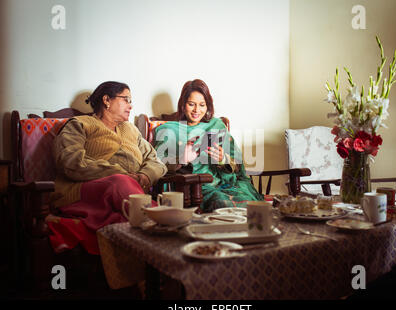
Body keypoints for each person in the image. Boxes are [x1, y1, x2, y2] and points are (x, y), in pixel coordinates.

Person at [49, 81, 167, 253]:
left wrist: (144, 176)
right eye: (126, 99)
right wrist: (121, 174)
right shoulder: (80, 124)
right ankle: (162, 223)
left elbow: (156, 160)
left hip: (126, 193)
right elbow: (70, 160)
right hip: (82, 190)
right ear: (106, 100)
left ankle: (143, 271)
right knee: (119, 182)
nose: (131, 106)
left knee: (124, 222)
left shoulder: (131, 130)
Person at [154, 79, 263, 212]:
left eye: (202, 105)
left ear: (208, 106)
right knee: (222, 204)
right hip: (196, 187)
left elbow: (239, 166)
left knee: (249, 204)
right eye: (191, 104)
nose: (196, 110)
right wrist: (182, 159)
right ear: (183, 105)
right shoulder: (168, 130)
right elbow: (157, 166)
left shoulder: (217, 125)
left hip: (226, 183)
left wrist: (224, 159)